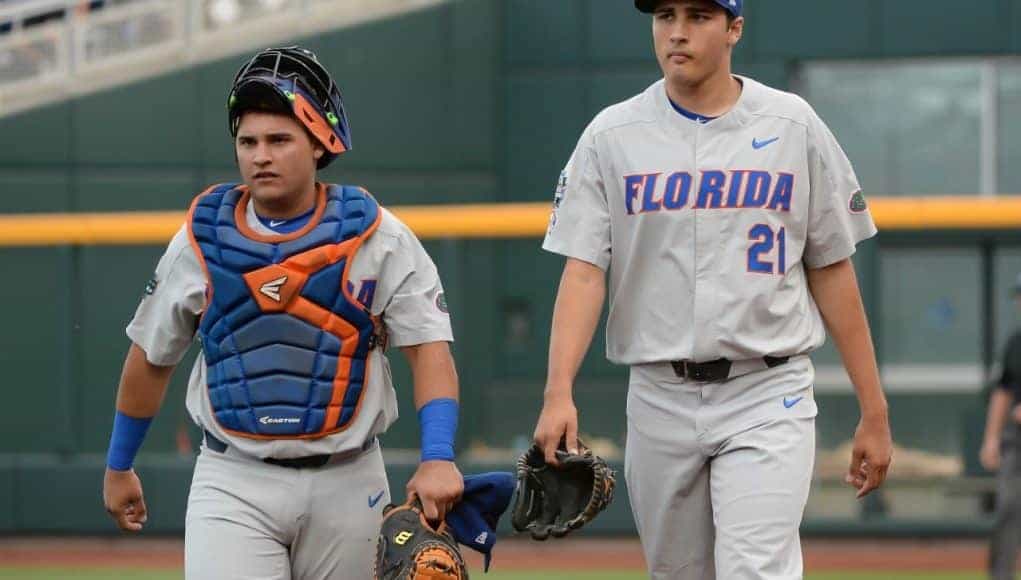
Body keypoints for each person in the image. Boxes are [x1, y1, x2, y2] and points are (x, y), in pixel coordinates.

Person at [531, 1, 893, 578]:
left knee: (755, 569)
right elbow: (583, 271)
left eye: (699, 16)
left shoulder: (792, 125)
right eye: (664, 15)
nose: (677, 32)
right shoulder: (612, 134)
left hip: (767, 390)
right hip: (658, 395)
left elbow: (832, 267)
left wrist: (873, 410)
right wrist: (558, 393)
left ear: (734, 29)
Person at [101, 45, 464, 580]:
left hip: (350, 475)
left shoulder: (376, 234)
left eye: (278, 139)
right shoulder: (200, 241)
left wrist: (437, 455)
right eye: (247, 141)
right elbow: (150, 358)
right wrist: (118, 464)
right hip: (233, 477)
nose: (259, 155)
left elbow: (429, 349)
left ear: (319, 144)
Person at [981, 273, 1021, 580]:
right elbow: (1003, 391)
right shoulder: (1015, 343)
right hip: (1016, 440)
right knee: (1007, 507)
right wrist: (991, 439)